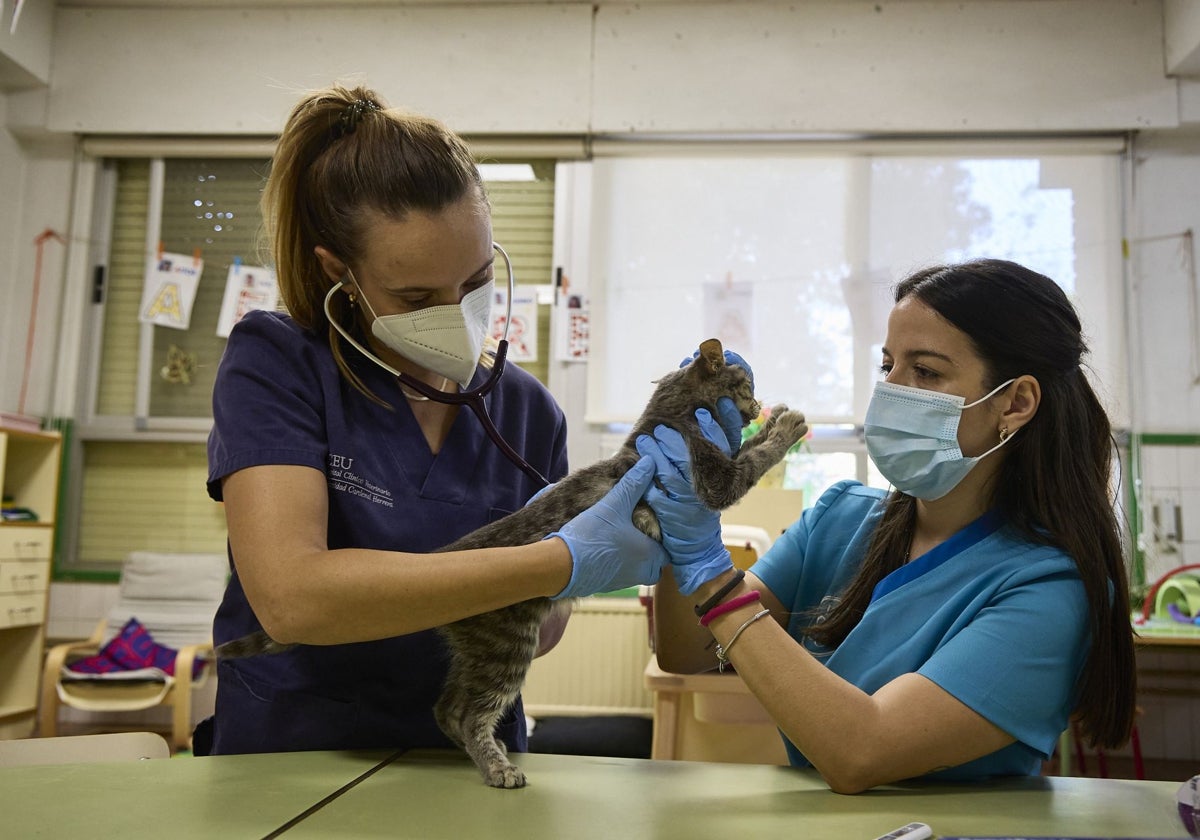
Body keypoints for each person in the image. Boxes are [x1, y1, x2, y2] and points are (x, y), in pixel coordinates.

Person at [194, 84, 674, 756]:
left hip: (467, 760)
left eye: (476, 282)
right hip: (297, 756)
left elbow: (541, 627)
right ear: (340, 271)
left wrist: (575, 576)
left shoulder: (529, 413)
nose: (457, 312)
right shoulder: (277, 365)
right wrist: (552, 564)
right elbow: (292, 598)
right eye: (417, 295)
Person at [641, 259, 1137, 794]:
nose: (891, 392)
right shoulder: (840, 518)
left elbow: (861, 751)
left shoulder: (1051, 590)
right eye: (888, 367)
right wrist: (685, 512)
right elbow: (685, 652)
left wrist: (712, 575)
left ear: (1014, 403)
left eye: (925, 371)